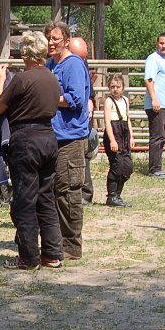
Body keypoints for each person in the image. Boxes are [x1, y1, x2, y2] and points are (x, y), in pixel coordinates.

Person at [0, 31, 64, 270]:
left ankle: (28, 257)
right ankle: (53, 254)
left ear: (26, 53)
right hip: (48, 137)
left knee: (25, 200)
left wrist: (1, 79)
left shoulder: (22, 79)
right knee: (46, 197)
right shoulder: (53, 78)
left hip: (25, 139)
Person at [44, 21, 91, 260]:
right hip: (53, 136)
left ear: (65, 39)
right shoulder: (51, 64)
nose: (51, 42)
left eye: (55, 38)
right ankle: (56, 241)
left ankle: (71, 244)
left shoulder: (73, 65)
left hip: (70, 138)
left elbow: (77, 99)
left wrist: (49, 97)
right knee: (53, 191)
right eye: (48, 38)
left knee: (68, 192)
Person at [144, 32, 165, 178]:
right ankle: (154, 169)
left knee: (164, 135)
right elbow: (149, 79)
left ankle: (157, 166)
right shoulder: (153, 59)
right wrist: (154, 99)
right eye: (161, 43)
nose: (163, 46)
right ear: (157, 43)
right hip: (157, 103)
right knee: (157, 136)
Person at [69, 36, 99, 205]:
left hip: (81, 114)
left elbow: (89, 89)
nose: (82, 61)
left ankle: (85, 194)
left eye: (84, 58)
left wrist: (91, 102)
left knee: (84, 152)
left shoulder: (81, 62)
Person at [102, 73, 135, 207]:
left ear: (123, 87)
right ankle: (112, 195)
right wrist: (112, 140)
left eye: (118, 86)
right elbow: (107, 122)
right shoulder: (109, 101)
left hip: (124, 132)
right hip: (113, 132)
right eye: (112, 86)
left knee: (127, 165)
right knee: (117, 165)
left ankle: (118, 194)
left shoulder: (125, 100)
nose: (115, 89)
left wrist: (131, 136)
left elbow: (128, 119)